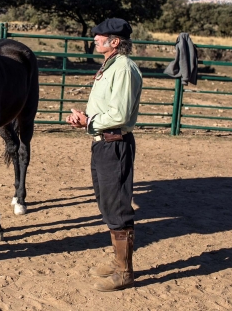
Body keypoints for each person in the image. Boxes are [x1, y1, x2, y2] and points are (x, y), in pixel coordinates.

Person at [66, 18, 142, 291]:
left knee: (118, 206)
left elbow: (119, 114)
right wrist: (85, 121)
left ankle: (124, 272)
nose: (95, 38)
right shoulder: (110, 65)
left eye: (101, 35)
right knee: (107, 202)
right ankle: (117, 261)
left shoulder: (122, 68)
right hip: (103, 142)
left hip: (114, 144)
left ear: (115, 41)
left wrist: (89, 122)